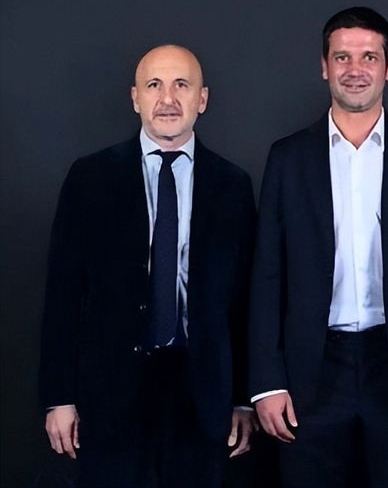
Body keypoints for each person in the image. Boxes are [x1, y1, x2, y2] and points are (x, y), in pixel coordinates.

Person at [248, 7, 388, 488]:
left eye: (369, 57)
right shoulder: (287, 158)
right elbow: (267, 275)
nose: (355, 69)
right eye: (342, 57)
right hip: (311, 373)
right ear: (324, 66)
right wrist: (266, 382)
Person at [39, 45, 258, 487]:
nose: (168, 99)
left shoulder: (233, 185)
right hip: (111, 393)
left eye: (182, 85)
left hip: (201, 394)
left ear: (202, 99)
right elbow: (63, 294)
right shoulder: (90, 178)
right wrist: (59, 397)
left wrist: (242, 399)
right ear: (135, 98)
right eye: (154, 85)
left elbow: (244, 301)